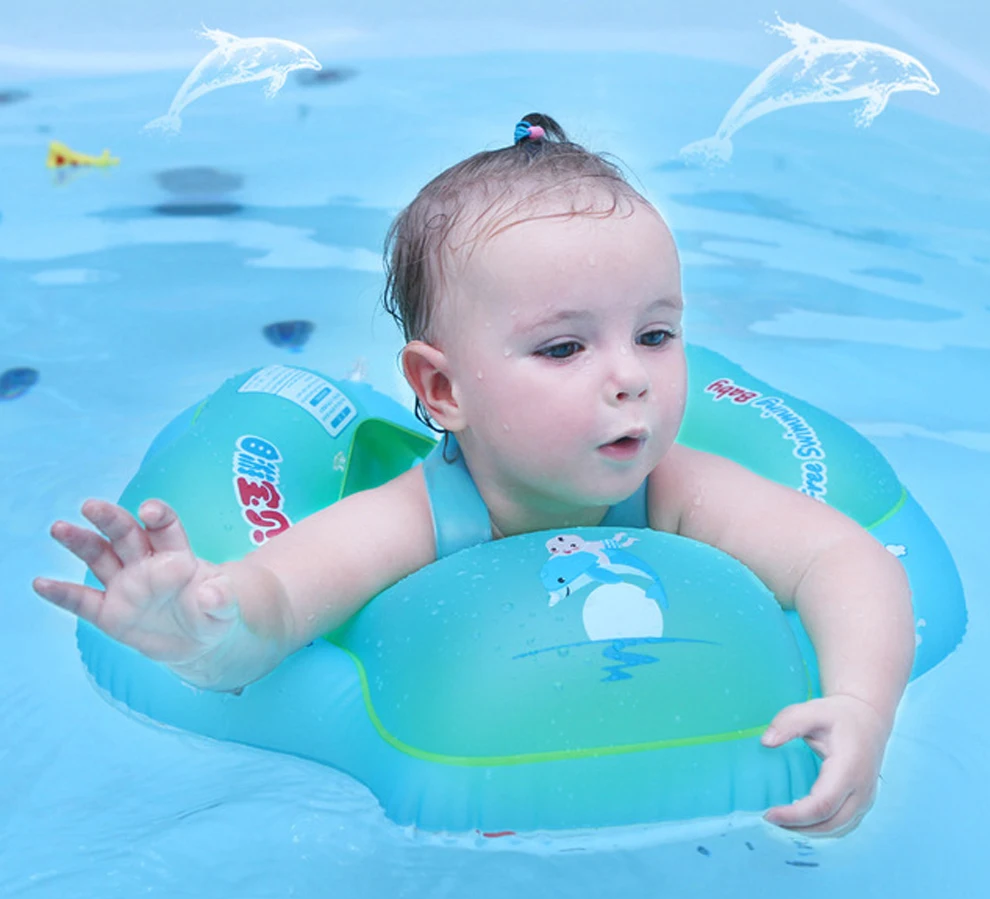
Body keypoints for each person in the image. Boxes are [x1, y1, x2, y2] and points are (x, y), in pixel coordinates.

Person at [33, 113, 914, 837]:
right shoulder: (415, 517)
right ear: (443, 389)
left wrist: (861, 707)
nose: (631, 375)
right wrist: (201, 626)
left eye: (655, 333)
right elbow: (278, 595)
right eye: (565, 347)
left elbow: (847, 561)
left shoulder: (680, 486)